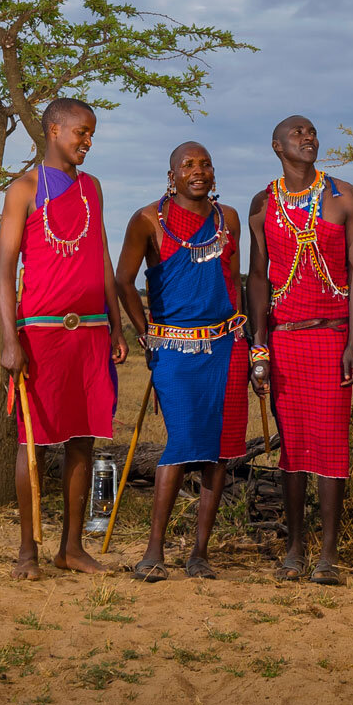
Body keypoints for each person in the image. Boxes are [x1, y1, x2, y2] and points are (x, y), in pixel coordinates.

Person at [0, 97, 127, 580]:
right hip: (42, 334)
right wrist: (10, 339)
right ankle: (27, 551)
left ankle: (71, 548)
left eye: (92, 134)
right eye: (81, 133)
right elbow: (5, 271)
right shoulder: (24, 189)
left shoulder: (92, 187)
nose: (88, 143)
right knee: (33, 442)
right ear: (54, 129)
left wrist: (115, 323)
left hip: (91, 331)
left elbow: (103, 259)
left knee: (83, 441)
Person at [114, 142, 248, 582]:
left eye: (205, 163)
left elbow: (235, 282)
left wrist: (250, 341)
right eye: (187, 164)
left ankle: (200, 554)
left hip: (227, 345)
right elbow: (123, 281)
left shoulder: (227, 219)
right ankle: (154, 551)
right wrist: (144, 332)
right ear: (171, 175)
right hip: (173, 347)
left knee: (220, 452)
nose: (198, 170)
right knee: (181, 443)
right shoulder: (148, 220)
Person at [247, 116, 353, 585]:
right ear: (277, 145)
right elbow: (259, 277)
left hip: (332, 332)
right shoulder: (263, 203)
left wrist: (352, 341)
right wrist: (260, 343)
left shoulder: (343, 196)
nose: (309, 138)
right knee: (293, 445)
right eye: (298, 134)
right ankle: (295, 548)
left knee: (331, 442)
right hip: (286, 338)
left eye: (313, 133)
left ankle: (329, 556)